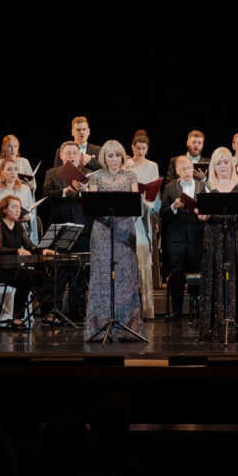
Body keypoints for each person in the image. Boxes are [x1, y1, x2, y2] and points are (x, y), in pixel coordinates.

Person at [195, 147, 238, 341]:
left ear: (231, 164)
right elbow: (202, 216)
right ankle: (216, 326)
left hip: (236, 235)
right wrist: (205, 210)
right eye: (218, 163)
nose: (222, 166)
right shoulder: (208, 186)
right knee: (216, 275)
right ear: (213, 166)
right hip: (214, 236)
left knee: (235, 277)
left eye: (226, 162)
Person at [85, 140, 143, 341]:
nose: (115, 159)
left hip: (124, 228)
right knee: (102, 275)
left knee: (125, 275)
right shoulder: (96, 177)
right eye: (110, 155)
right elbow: (93, 206)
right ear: (104, 157)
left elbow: (135, 205)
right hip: (102, 229)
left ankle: (125, 326)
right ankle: (100, 325)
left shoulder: (130, 176)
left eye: (118, 155)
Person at [0, 195, 56, 328]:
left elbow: (30, 246)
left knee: (44, 278)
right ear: (4, 209)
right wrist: (16, 251)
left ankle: (48, 315)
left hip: (14, 268)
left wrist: (43, 251)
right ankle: (17, 317)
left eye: (19, 207)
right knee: (25, 278)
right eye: (14, 207)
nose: (18, 210)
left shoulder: (18, 226)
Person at [41, 142, 93, 321]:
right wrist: (65, 191)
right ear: (61, 155)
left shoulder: (87, 174)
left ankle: (77, 312)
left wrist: (85, 191)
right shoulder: (52, 173)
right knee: (59, 271)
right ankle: (54, 311)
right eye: (68, 153)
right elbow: (46, 195)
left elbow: (95, 201)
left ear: (80, 156)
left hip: (83, 227)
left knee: (79, 272)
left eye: (75, 153)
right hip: (60, 227)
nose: (71, 156)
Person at [160, 155, 204, 320]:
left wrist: (199, 210)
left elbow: (207, 210)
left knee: (196, 273)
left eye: (189, 168)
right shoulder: (170, 187)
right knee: (176, 273)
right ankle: (176, 309)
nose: (187, 171)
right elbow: (162, 212)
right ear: (177, 171)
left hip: (197, 237)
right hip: (176, 238)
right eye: (183, 169)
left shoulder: (202, 186)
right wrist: (173, 207)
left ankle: (198, 308)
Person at [126, 132, 160, 320]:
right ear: (132, 148)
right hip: (127, 219)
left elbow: (154, 195)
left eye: (143, 148)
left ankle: (147, 310)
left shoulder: (152, 166)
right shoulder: (126, 164)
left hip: (143, 217)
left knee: (144, 266)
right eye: (137, 148)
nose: (140, 151)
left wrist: (147, 201)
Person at [0, 158, 39, 244]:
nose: (13, 172)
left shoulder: (26, 189)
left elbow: (32, 212)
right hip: (2, 234)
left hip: (22, 233)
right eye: (9, 169)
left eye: (15, 169)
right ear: (2, 172)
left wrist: (28, 218)